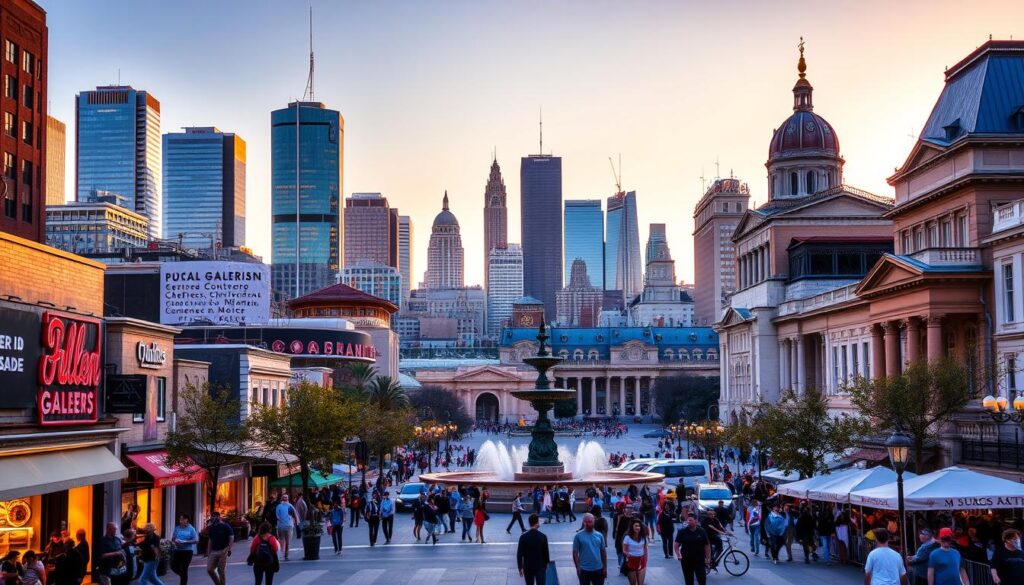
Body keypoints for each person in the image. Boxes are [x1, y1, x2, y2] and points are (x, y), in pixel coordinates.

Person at [674, 513, 711, 585]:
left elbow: (707, 545)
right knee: (688, 580)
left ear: (696, 521)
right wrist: (678, 554)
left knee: (702, 579)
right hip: (686, 560)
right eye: (688, 520)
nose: (688, 522)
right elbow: (676, 546)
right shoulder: (682, 532)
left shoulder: (702, 531)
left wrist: (708, 558)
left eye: (690, 520)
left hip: (699, 559)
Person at [572, 513, 608, 585]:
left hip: (598, 568)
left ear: (594, 521)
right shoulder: (578, 536)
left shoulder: (599, 535)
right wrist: (577, 567)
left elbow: (603, 552)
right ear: (583, 522)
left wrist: (605, 567)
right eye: (587, 522)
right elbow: (575, 553)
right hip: (584, 569)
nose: (589, 524)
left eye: (590, 521)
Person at [517, 514, 550, 585]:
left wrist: (520, 567)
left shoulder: (523, 537)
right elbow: (546, 552)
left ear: (529, 523)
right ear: (537, 523)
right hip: (540, 566)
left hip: (528, 567)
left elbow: (519, 554)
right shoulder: (543, 537)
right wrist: (547, 563)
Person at [205, 511, 234, 585]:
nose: (213, 518)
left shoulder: (225, 526)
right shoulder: (212, 527)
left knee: (221, 570)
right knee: (209, 569)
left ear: (219, 517)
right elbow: (210, 540)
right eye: (212, 516)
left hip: (223, 550)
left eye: (214, 516)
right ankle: (218, 583)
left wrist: (229, 549)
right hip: (214, 551)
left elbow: (231, 537)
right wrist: (208, 552)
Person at [170, 515, 199, 585]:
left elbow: (196, 540)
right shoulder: (177, 528)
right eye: (180, 519)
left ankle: (183, 582)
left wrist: (185, 542)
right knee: (173, 566)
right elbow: (173, 538)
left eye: (182, 519)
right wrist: (175, 541)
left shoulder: (191, 529)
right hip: (177, 550)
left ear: (187, 520)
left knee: (184, 568)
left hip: (187, 551)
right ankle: (183, 576)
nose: (181, 521)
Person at [622, 519, 649, 585]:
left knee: (641, 583)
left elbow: (645, 550)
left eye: (639, 526)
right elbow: (624, 550)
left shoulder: (644, 537)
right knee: (633, 583)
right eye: (636, 526)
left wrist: (645, 561)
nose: (638, 528)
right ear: (632, 527)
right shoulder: (627, 537)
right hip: (631, 561)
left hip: (641, 561)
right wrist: (628, 554)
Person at [274, 494, 298, 561]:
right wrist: (296, 522)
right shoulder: (290, 506)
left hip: (283, 526)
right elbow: (295, 515)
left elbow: (277, 516)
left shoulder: (280, 506)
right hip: (286, 526)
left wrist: (296, 521)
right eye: (284, 497)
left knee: (282, 540)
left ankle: (283, 553)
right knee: (286, 541)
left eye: (286, 497)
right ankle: (285, 554)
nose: (285, 498)